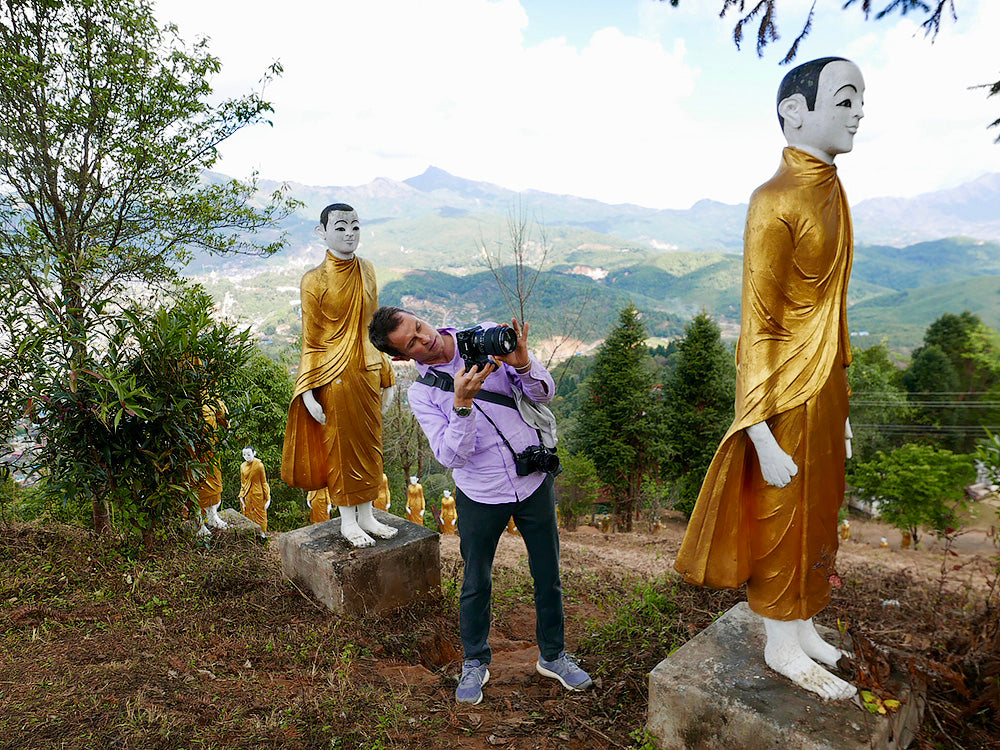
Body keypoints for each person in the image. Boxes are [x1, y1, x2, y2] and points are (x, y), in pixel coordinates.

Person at [674, 57, 864, 702]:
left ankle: (802, 621)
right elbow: (759, 322)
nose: (858, 112)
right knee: (784, 511)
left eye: (859, 100)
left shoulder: (832, 188)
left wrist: (842, 406)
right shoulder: (774, 200)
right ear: (795, 111)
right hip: (782, 388)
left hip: (826, 378)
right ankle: (781, 643)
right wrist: (756, 433)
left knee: (821, 509)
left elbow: (832, 307)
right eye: (845, 99)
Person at [369, 306, 592, 705]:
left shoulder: (486, 337)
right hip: (480, 493)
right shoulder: (422, 394)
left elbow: (545, 394)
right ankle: (474, 660)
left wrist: (523, 365)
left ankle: (554, 656)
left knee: (548, 574)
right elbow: (452, 455)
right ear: (403, 358)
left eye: (420, 327)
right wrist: (462, 405)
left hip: (533, 481)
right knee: (476, 581)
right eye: (413, 343)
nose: (426, 339)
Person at [281, 203, 398, 548]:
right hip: (335, 376)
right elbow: (312, 340)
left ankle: (367, 515)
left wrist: (386, 371)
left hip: (368, 369)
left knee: (370, 446)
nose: (349, 234)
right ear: (322, 233)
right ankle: (347, 519)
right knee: (342, 446)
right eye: (341, 227)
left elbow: (374, 326)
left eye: (355, 227)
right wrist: (306, 391)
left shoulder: (368, 269)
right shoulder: (313, 280)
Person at [239, 446, 271, 536]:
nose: (246, 456)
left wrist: (268, 497)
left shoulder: (259, 466)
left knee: (260, 514)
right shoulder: (242, 466)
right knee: (248, 514)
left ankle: (263, 533)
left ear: (254, 453)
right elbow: (243, 483)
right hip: (247, 494)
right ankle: (251, 534)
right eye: (244, 454)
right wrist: (241, 495)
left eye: (249, 454)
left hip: (258, 494)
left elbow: (264, 482)